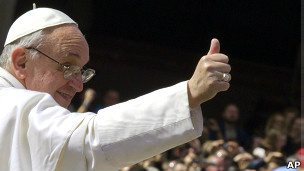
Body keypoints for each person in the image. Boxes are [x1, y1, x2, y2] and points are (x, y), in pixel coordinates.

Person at [0, 6, 231, 171]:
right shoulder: (9, 102)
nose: (78, 85)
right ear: (21, 62)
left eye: (82, 72)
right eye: (68, 66)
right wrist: (189, 93)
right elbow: (89, 140)